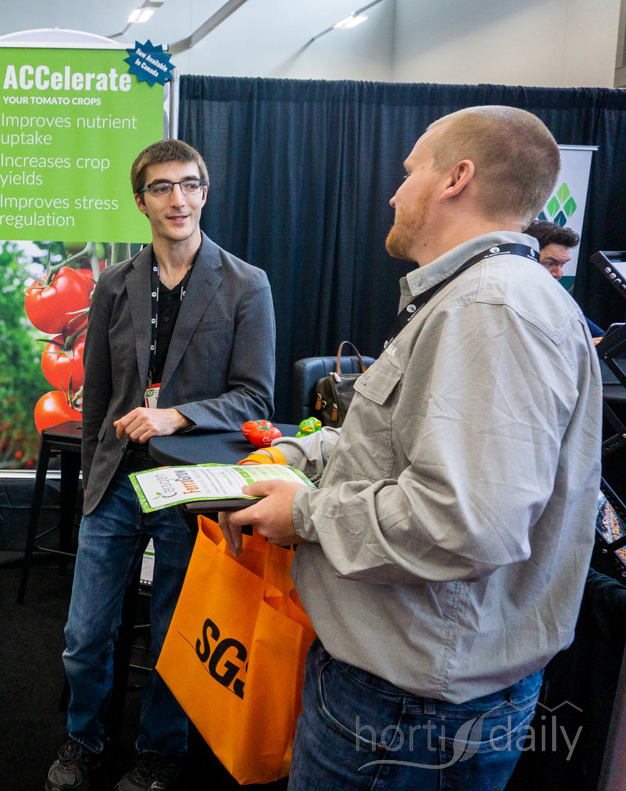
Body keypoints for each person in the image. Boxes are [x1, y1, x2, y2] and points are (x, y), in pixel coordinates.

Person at [224, 106, 602, 789]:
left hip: (410, 712)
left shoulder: (491, 308)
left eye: (408, 172)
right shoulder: (478, 297)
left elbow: (466, 523)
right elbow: (399, 448)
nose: (395, 194)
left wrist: (303, 514)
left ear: (457, 178)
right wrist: (297, 458)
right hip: (409, 696)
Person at [46, 139, 276, 791]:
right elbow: (97, 396)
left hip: (192, 486)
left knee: (177, 633)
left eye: (190, 184)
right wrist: (92, 481)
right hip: (117, 482)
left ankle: (160, 753)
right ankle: (84, 740)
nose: (178, 199)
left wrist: (178, 416)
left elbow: (255, 398)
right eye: (162, 187)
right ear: (140, 200)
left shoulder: (246, 283)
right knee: (85, 634)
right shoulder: (114, 284)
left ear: (205, 192)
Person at [524, 219, 605, 337]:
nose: (559, 273)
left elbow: (601, 337)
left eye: (563, 264)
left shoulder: (556, 296)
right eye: (550, 263)